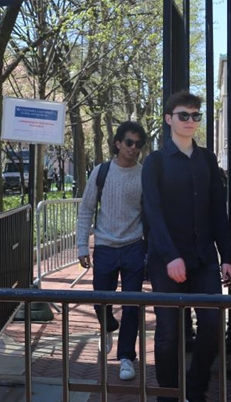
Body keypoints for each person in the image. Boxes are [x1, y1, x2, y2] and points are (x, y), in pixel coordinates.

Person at [142, 91, 231, 402]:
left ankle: (195, 390)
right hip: (167, 260)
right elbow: (152, 212)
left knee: (211, 326)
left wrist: (227, 257)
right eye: (184, 115)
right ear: (169, 119)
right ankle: (168, 394)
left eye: (196, 116)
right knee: (168, 333)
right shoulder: (154, 162)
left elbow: (218, 210)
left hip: (205, 258)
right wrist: (170, 256)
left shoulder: (207, 159)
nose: (191, 121)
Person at [76, 121, 147, 381]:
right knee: (101, 300)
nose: (134, 148)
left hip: (133, 247)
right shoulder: (102, 172)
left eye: (138, 144)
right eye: (129, 142)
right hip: (105, 246)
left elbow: (150, 212)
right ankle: (107, 325)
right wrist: (83, 244)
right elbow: (86, 209)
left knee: (132, 305)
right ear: (118, 143)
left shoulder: (143, 174)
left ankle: (126, 356)